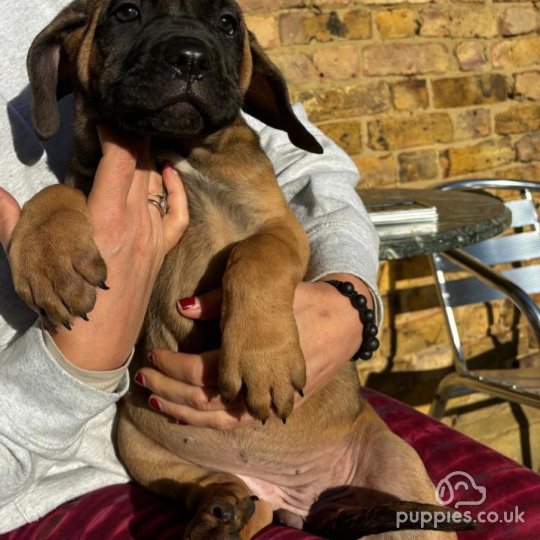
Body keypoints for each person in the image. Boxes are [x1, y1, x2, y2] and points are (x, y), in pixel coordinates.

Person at [0, 1, 381, 534]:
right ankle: (222, 497)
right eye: (129, 13)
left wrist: (350, 296)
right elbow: (74, 197)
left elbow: (304, 177)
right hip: (144, 456)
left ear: (253, 76)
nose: (188, 50)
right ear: (62, 58)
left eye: (223, 25)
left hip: (337, 437)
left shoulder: (236, 150)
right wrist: (49, 215)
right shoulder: (80, 164)